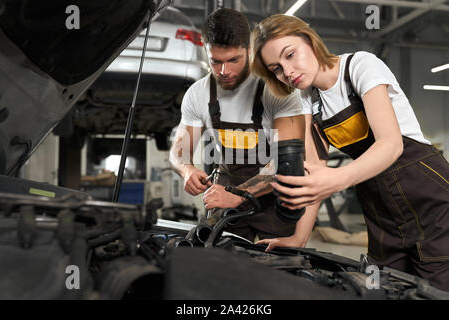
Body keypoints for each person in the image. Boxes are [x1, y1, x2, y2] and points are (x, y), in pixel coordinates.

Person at [250, 14, 449, 291]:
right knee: (387, 287)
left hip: (427, 194)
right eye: (277, 69)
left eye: (291, 55)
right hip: (380, 206)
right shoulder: (309, 99)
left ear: (309, 40)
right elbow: (313, 171)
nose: (288, 71)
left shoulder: (360, 66)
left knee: (435, 288)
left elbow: (391, 144)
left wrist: (337, 178)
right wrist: (298, 239)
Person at [169, 9, 305, 242]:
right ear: (206, 52)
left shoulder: (278, 91)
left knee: (275, 270)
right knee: (223, 264)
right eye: (216, 62)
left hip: (274, 196)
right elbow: (179, 151)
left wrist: (241, 195)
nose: (225, 71)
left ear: (249, 50)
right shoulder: (197, 94)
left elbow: (287, 163)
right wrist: (186, 169)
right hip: (226, 191)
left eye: (234, 60)